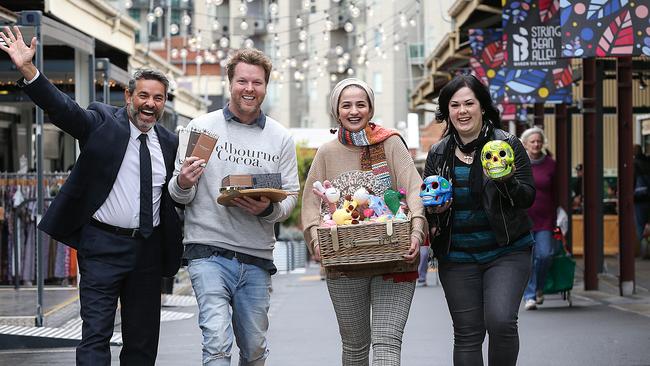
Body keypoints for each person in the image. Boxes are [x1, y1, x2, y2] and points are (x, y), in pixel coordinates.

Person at [0, 26, 183, 365]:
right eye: (143, 95)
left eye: (158, 98)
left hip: (148, 251)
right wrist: (28, 70)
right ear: (129, 97)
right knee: (95, 337)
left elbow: (178, 195)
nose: (150, 104)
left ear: (164, 103)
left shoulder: (170, 143)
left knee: (142, 344)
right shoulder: (102, 121)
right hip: (102, 247)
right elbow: (64, 109)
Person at [168, 48, 299, 366]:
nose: (249, 89)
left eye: (257, 82)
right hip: (207, 252)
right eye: (242, 81)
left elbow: (291, 197)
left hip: (256, 256)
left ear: (266, 87)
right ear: (230, 83)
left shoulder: (280, 137)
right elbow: (178, 195)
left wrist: (266, 210)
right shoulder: (202, 128)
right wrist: (184, 182)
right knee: (216, 342)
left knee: (253, 349)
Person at [301, 78, 425, 365]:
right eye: (347, 105)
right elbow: (311, 202)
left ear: (370, 108)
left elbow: (415, 188)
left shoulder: (391, 143)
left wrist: (417, 231)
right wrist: (315, 240)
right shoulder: (326, 152)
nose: (354, 111)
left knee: (386, 345)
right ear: (337, 111)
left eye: (361, 104)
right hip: (344, 265)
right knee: (355, 348)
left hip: (395, 259)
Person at [423, 74, 535, 366]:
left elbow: (527, 198)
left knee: (500, 321)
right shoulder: (438, 152)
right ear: (447, 111)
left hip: (507, 250)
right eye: (454, 105)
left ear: (482, 107)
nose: (462, 111)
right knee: (467, 333)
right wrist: (435, 211)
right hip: (457, 256)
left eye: (469, 103)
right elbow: (427, 202)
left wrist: (506, 180)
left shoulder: (507, 144)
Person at [520, 126, 557, 310]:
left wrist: (562, 213)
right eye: (532, 141)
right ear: (525, 143)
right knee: (528, 258)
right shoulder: (518, 163)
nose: (536, 144)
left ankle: (539, 287)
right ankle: (530, 295)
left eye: (538, 141)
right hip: (523, 219)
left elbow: (558, 190)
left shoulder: (551, 164)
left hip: (545, 218)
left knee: (545, 254)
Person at [633, 144, 650, 255]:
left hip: (639, 199)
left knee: (640, 225)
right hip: (649, 197)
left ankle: (642, 251)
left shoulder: (634, 164)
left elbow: (631, 181)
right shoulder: (648, 162)